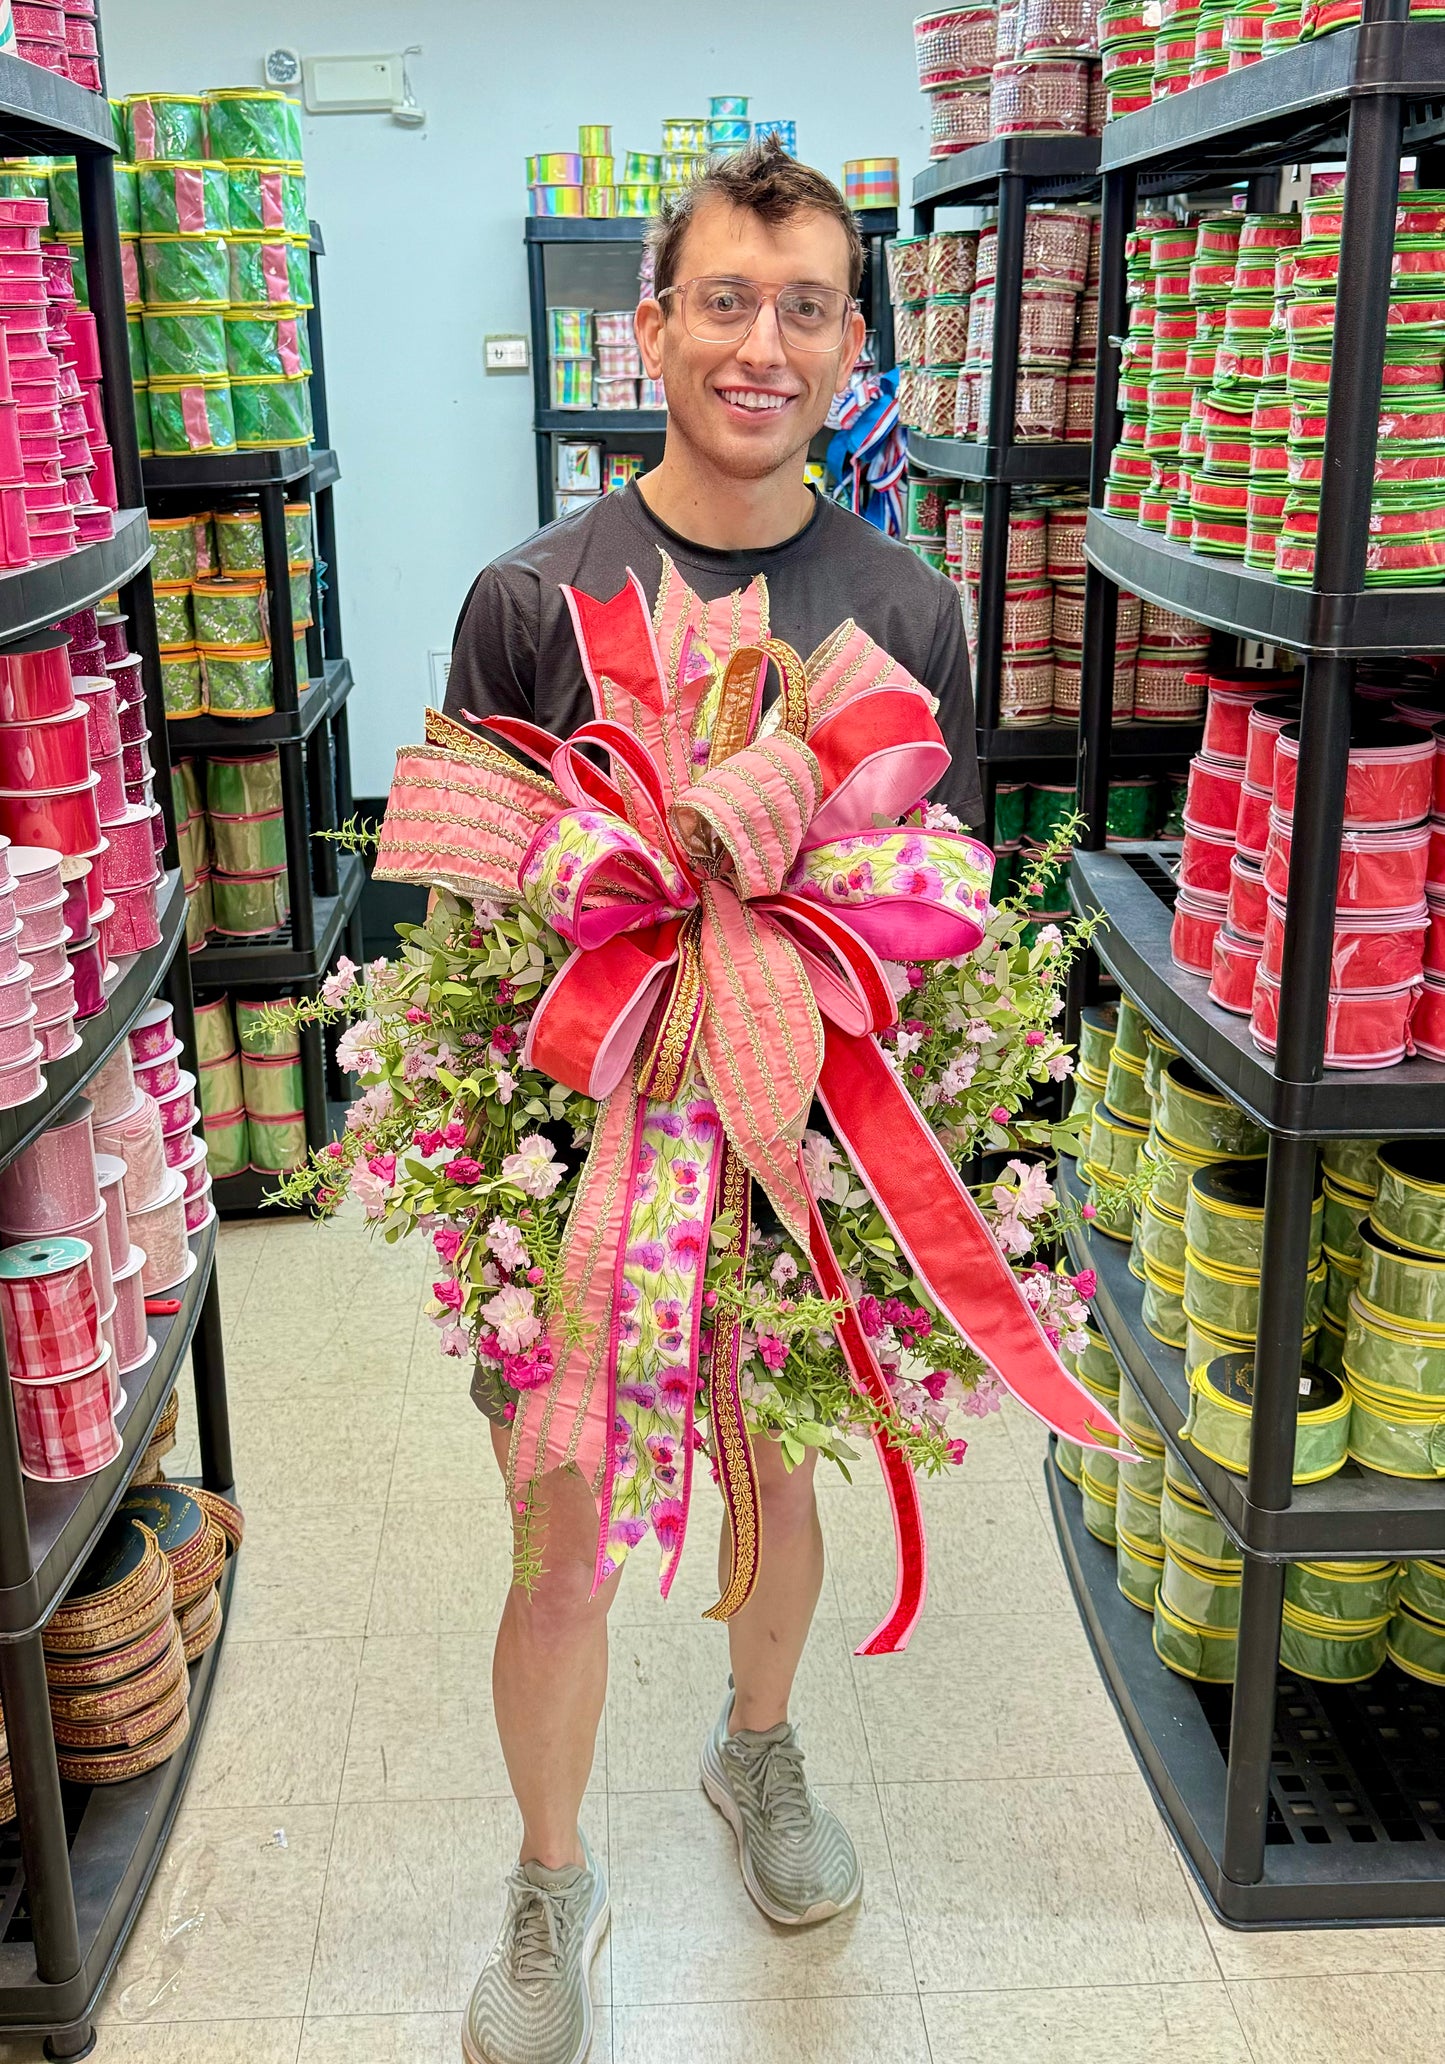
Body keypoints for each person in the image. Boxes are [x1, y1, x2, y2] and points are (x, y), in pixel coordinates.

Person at [447, 139, 982, 2064]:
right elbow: (469, 939)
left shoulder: (908, 609)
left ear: (854, 348)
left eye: (809, 308)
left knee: (779, 1499)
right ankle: (547, 1875)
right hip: (584, 1180)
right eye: (727, 301)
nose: (764, 344)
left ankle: (754, 1749)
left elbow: (944, 915)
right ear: (652, 324)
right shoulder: (533, 598)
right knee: (559, 1535)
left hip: (801, 1174)